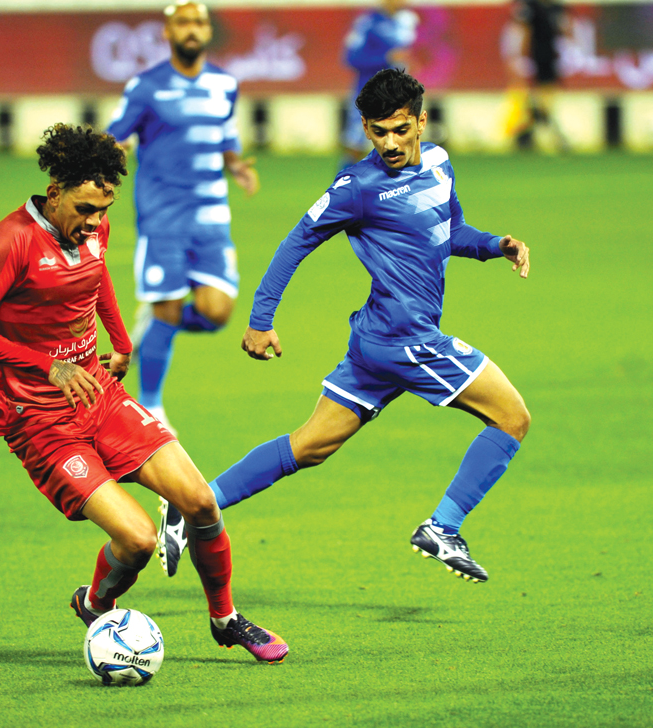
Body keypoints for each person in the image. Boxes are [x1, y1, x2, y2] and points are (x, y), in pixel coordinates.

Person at [158, 69, 531, 584]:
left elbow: (449, 231)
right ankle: (443, 526)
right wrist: (261, 320)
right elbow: (295, 243)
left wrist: (494, 246)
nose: (391, 143)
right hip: (407, 341)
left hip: (376, 339)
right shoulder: (357, 187)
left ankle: (191, 503)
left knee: (310, 446)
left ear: (422, 121)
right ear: (365, 128)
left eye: (401, 129)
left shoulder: (441, 165)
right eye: (379, 132)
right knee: (512, 418)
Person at [0, 123, 286, 664]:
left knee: (199, 500)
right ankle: (96, 602)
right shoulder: (10, 241)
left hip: (98, 393)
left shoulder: (91, 229)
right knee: (137, 539)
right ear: (54, 193)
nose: (93, 223)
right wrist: (49, 366)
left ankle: (224, 620)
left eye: (103, 211)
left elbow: (98, 275)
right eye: (84, 209)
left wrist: (121, 339)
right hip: (40, 418)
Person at [106, 0, 259, 433]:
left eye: (199, 22)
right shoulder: (146, 86)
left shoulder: (225, 84)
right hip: (163, 217)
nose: (192, 30)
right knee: (169, 310)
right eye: (183, 23)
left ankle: (151, 329)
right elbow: (118, 137)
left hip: (211, 215)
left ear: (208, 32)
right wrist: (113, 157)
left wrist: (236, 165)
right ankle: (151, 407)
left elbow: (225, 131)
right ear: (167, 34)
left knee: (217, 312)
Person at [340, 0, 419, 170]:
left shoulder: (408, 21)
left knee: (402, 146)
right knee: (355, 147)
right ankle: (340, 192)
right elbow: (352, 58)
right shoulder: (368, 23)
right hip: (369, 93)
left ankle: (397, 194)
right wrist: (386, 58)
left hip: (398, 95)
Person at [503, 0, 570, 151]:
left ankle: (529, 134)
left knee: (545, 99)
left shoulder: (557, 8)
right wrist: (521, 54)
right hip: (537, 57)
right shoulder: (531, 6)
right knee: (541, 99)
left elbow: (564, 30)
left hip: (551, 57)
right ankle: (543, 135)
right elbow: (524, 29)